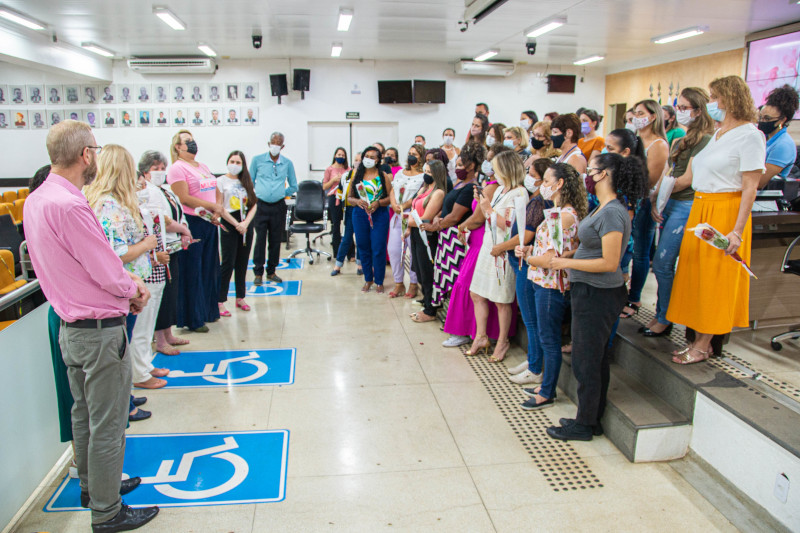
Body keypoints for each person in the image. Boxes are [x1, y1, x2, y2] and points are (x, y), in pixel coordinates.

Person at [24, 120, 159, 530]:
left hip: (70, 328)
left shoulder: (38, 199)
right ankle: (107, 510)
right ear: (86, 155)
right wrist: (132, 289)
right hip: (99, 331)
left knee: (84, 414)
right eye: (95, 150)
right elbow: (105, 268)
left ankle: (91, 487)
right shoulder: (70, 205)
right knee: (109, 422)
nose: (96, 157)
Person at [546, 152, 647, 441]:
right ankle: (591, 419)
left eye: (591, 170)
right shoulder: (603, 207)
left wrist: (566, 263)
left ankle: (584, 424)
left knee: (586, 360)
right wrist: (571, 254)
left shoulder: (613, 211)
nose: (587, 176)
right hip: (590, 290)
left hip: (599, 293)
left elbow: (609, 262)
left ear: (604, 174)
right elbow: (594, 248)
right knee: (593, 359)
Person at [667, 75, 766, 364]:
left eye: (714, 97)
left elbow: (750, 187)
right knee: (695, 277)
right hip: (701, 208)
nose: (711, 103)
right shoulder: (720, 133)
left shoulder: (750, 135)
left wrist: (736, 231)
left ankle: (703, 344)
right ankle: (698, 339)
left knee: (714, 281)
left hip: (724, 211)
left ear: (730, 99)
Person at [84, 145, 168, 391]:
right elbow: (118, 253)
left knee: (130, 339)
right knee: (124, 345)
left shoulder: (116, 202)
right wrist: (146, 244)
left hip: (131, 284)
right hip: (123, 286)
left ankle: (130, 393)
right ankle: (129, 395)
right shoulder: (109, 205)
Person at [643, 88, 714, 337]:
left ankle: (666, 316)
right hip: (669, 202)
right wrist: (655, 200)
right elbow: (668, 172)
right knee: (663, 265)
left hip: (685, 204)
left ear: (698, 110)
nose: (679, 112)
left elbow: (686, 179)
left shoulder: (706, 140)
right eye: (679, 107)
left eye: (684, 108)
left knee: (662, 263)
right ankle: (662, 313)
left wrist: (663, 192)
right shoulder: (680, 139)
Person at [517, 162, 587, 408]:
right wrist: (530, 249)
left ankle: (547, 391)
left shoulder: (564, 217)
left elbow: (550, 259)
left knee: (549, 339)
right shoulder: (558, 212)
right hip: (541, 281)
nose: (542, 186)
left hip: (550, 286)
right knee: (546, 336)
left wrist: (527, 257)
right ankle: (545, 383)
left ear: (560, 184)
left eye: (546, 181)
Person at [443, 145, 515, 348]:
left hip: (484, 237)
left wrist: (462, 226)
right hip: (477, 239)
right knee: (474, 289)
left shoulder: (494, 187)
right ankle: (475, 332)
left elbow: (479, 218)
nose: (488, 163)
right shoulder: (492, 185)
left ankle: (471, 331)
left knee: (469, 285)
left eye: (491, 159)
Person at [496, 158, 553, 385]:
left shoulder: (540, 203)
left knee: (531, 319)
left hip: (526, 263)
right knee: (530, 318)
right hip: (520, 260)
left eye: (531, 172)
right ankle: (532, 360)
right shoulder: (535, 199)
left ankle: (536, 366)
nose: (527, 175)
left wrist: (501, 247)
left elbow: (526, 236)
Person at [467, 151, 529, 362]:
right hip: (488, 246)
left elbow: (511, 226)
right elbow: (490, 219)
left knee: (501, 300)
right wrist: (484, 206)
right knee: (477, 293)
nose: (493, 172)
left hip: (503, 250)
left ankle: (502, 341)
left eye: (496, 168)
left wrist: (487, 207)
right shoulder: (502, 189)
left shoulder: (520, 193)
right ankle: (481, 336)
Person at [137, 151, 193, 356]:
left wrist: (184, 230)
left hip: (174, 246)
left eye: (162, 168)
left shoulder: (166, 190)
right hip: (161, 249)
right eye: (155, 169)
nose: (160, 172)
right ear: (145, 172)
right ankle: (160, 340)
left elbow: (178, 214)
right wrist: (182, 230)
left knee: (171, 293)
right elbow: (161, 221)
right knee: (163, 296)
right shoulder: (148, 192)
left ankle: (168, 334)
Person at [167, 130, 223, 332]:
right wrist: (211, 208)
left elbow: (216, 191)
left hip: (209, 221)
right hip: (193, 221)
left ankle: (209, 310)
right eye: (187, 141)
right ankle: (193, 318)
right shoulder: (176, 169)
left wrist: (217, 208)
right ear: (178, 147)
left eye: (192, 140)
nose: (192, 144)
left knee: (210, 267)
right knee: (193, 270)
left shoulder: (203, 166)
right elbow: (184, 197)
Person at [621, 99, 669, 319]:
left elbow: (648, 181)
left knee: (640, 252)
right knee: (624, 250)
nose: (636, 118)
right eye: (634, 114)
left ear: (653, 117)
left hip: (643, 201)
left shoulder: (657, 144)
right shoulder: (637, 140)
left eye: (641, 113)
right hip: (628, 199)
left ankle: (634, 297)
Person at [427, 142, 484, 315]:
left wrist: (436, 224)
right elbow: (447, 207)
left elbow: (455, 216)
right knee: (445, 277)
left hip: (456, 238)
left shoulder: (470, 188)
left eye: (460, 165)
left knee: (455, 279)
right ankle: (449, 316)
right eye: (456, 165)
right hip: (445, 235)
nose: (457, 168)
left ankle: (456, 318)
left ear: (471, 166)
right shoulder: (459, 183)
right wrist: (437, 217)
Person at [251, 132, 298, 284]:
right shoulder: (257, 160)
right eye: (273, 142)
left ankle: (271, 271)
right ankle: (258, 272)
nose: (275, 146)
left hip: (278, 206)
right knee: (260, 240)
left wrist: (281, 192)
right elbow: (249, 181)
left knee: (275, 240)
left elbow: (294, 185)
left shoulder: (287, 163)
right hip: (261, 205)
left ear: (282, 146)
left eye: (278, 143)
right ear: (268, 143)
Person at [217, 151, 258, 315]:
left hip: (246, 223)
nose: (234, 165)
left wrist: (246, 223)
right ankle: (220, 301)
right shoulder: (220, 181)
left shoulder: (246, 181)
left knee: (242, 262)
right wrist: (236, 224)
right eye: (232, 161)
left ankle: (240, 297)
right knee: (228, 263)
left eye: (238, 162)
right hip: (229, 221)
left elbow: (254, 204)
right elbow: (219, 206)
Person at [348, 145, 393, 292]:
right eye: (367, 156)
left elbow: (389, 198)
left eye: (373, 157)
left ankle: (379, 281)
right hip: (360, 215)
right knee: (363, 247)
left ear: (379, 160)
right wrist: (357, 202)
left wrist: (378, 203)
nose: (369, 159)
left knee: (378, 248)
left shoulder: (383, 176)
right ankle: (368, 279)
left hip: (379, 214)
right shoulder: (357, 175)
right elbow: (349, 198)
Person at [407, 160, 447, 322]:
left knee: (427, 271)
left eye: (430, 172)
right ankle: (426, 301)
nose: (426, 174)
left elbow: (426, 218)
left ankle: (431, 310)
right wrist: (410, 224)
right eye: (426, 171)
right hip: (416, 232)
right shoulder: (424, 188)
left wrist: (408, 222)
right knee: (419, 269)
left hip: (426, 234)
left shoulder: (438, 192)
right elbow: (412, 209)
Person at [387, 144, 425, 298]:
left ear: (421, 157)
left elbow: (418, 196)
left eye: (415, 154)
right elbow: (392, 190)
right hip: (397, 217)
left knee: (413, 252)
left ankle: (414, 284)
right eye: (409, 153)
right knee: (394, 250)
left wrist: (403, 206)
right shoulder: (400, 174)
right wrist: (395, 204)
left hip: (411, 216)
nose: (411, 156)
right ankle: (398, 283)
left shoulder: (423, 176)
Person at [758, 84, 800, 187]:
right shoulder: (766, 137)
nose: (762, 122)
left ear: (782, 120)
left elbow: (759, 182)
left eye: (767, 119)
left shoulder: (783, 145)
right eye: (760, 117)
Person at [331, 151, 362, 275]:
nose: (357, 162)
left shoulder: (365, 176)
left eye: (359, 160)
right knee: (347, 238)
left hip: (360, 209)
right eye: (355, 159)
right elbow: (340, 190)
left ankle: (360, 265)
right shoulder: (346, 175)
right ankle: (338, 265)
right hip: (349, 210)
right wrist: (338, 201)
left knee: (360, 239)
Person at [322, 147, 350, 260]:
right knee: (336, 225)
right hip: (334, 199)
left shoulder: (348, 169)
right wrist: (333, 180)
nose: (341, 157)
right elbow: (324, 187)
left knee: (348, 225)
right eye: (339, 155)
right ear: (335, 155)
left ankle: (350, 253)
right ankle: (337, 252)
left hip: (346, 199)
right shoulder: (329, 169)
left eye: (343, 155)